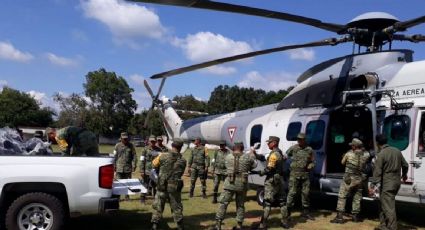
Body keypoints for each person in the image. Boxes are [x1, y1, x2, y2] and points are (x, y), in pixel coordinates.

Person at [214, 141, 257, 230]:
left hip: (229, 184)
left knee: (223, 203)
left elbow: (224, 166)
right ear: (242, 148)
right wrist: (252, 154)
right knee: (240, 205)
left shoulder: (228, 157)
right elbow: (254, 165)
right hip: (242, 184)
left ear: (234, 148)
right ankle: (239, 225)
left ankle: (218, 224)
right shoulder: (248, 157)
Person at [369, 134, 408, 230]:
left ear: (377, 143)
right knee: (383, 203)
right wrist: (404, 175)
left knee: (388, 207)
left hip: (387, 183)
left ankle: (392, 227)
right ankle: (383, 226)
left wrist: (372, 185)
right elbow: (405, 165)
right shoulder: (397, 151)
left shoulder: (381, 154)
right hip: (396, 182)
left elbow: (377, 172)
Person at [331, 138, 370, 224]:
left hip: (348, 179)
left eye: (352, 145)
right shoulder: (366, 155)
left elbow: (342, 162)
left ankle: (339, 217)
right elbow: (366, 154)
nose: (351, 146)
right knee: (357, 197)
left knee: (342, 196)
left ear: (354, 146)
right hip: (359, 179)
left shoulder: (349, 154)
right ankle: (355, 216)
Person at [151, 139, 187, 230]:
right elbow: (180, 172)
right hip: (174, 186)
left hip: (162, 185)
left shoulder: (163, 156)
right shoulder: (183, 160)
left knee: (158, 206)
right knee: (176, 207)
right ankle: (180, 226)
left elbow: (154, 164)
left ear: (172, 146)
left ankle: (155, 225)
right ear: (181, 148)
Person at [282, 133, 315, 227]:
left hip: (305, 174)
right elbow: (285, 155)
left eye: (301, 139)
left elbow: (313, 162)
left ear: (305, 140)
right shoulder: (294, 148)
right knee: (292, 193)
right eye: (298, 139)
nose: (299, 141)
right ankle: (287, 214)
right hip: (294, 174)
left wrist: (310, 166)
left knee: (306, 193)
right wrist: (283, 159)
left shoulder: (309, 149)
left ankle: (305, 212)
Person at [257, 136, 287, 229]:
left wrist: (261, 173)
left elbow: (270, 168)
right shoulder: (280, 153)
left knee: (267, 203)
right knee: (282, 202)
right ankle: (285, 222)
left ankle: (263, 224)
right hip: (280, 180)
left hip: (272, 181)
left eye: (269, 142)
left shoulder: (274, 155)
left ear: (274, 143)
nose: (268, 144)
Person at [140, 135, 161, 203]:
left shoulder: (159, 150)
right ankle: (142, 199)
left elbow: (160, 160)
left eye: (154, 141)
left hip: (156, 170)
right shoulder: (145, 149)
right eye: (151, 141)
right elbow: (142, 160)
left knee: (155, 185)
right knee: (145, 184)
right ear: (149, 141)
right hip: (147, 171)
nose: (152, 142)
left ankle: (155, 199)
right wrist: (142, 171)